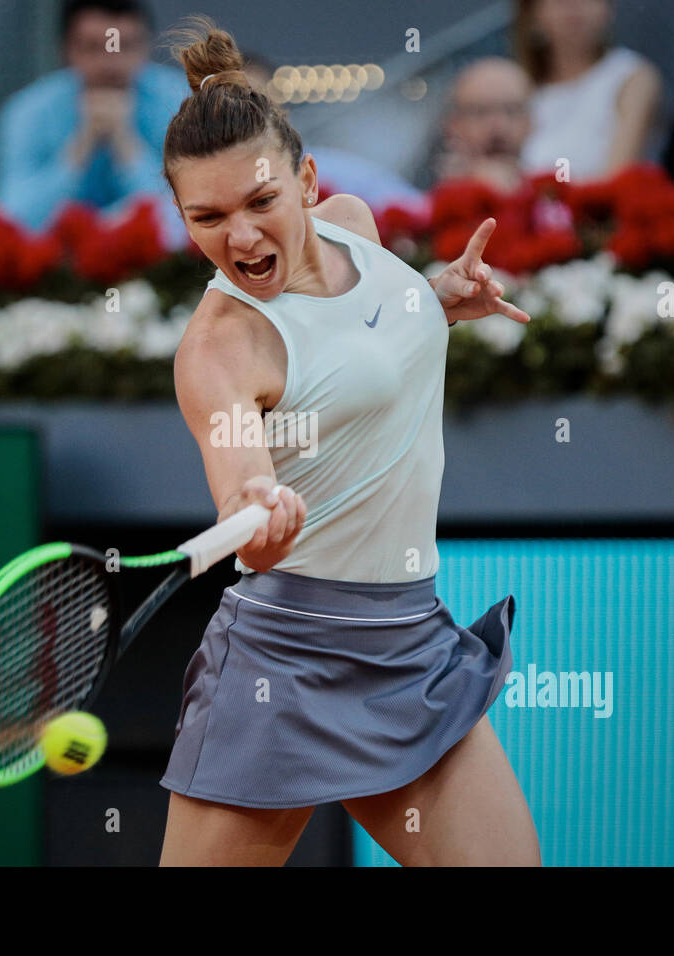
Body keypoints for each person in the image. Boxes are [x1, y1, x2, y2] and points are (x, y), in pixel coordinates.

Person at [155, 16, 540, 867]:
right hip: (284, 665)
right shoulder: (220, 349)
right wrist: (258, 505)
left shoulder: (354, 226)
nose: (241, 237)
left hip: (410, 644)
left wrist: (433, 298)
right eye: (208, 217)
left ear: (307, 181)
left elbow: (355, 354)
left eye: (261, 203)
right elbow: (239, 476)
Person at [0, 0, 188, 247]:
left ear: (146, 46)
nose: (110, 64)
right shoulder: (28, 111)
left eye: (125, 46)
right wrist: (78, 151)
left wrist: (126, 145)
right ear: (67, 50)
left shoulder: (180, 100)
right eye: (94, 48)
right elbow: (11, 219)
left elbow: (192, 215)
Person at [238, 52, 426, 214]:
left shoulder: (336, 174)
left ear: (283, 111)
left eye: (260, 101)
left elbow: (419, 211)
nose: (251, 115)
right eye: (236, 104)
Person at [514, 0, 664, 181]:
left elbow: (616, 179)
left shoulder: (633, 78)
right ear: (532, 13)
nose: (574, 6)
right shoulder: (519, 90)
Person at [432, 57, 534, 194]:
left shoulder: (557, 200)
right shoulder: (433, 208)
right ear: (453, 125)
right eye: (481, 112)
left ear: (530, 123)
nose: (499, 127)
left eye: (511, 111)